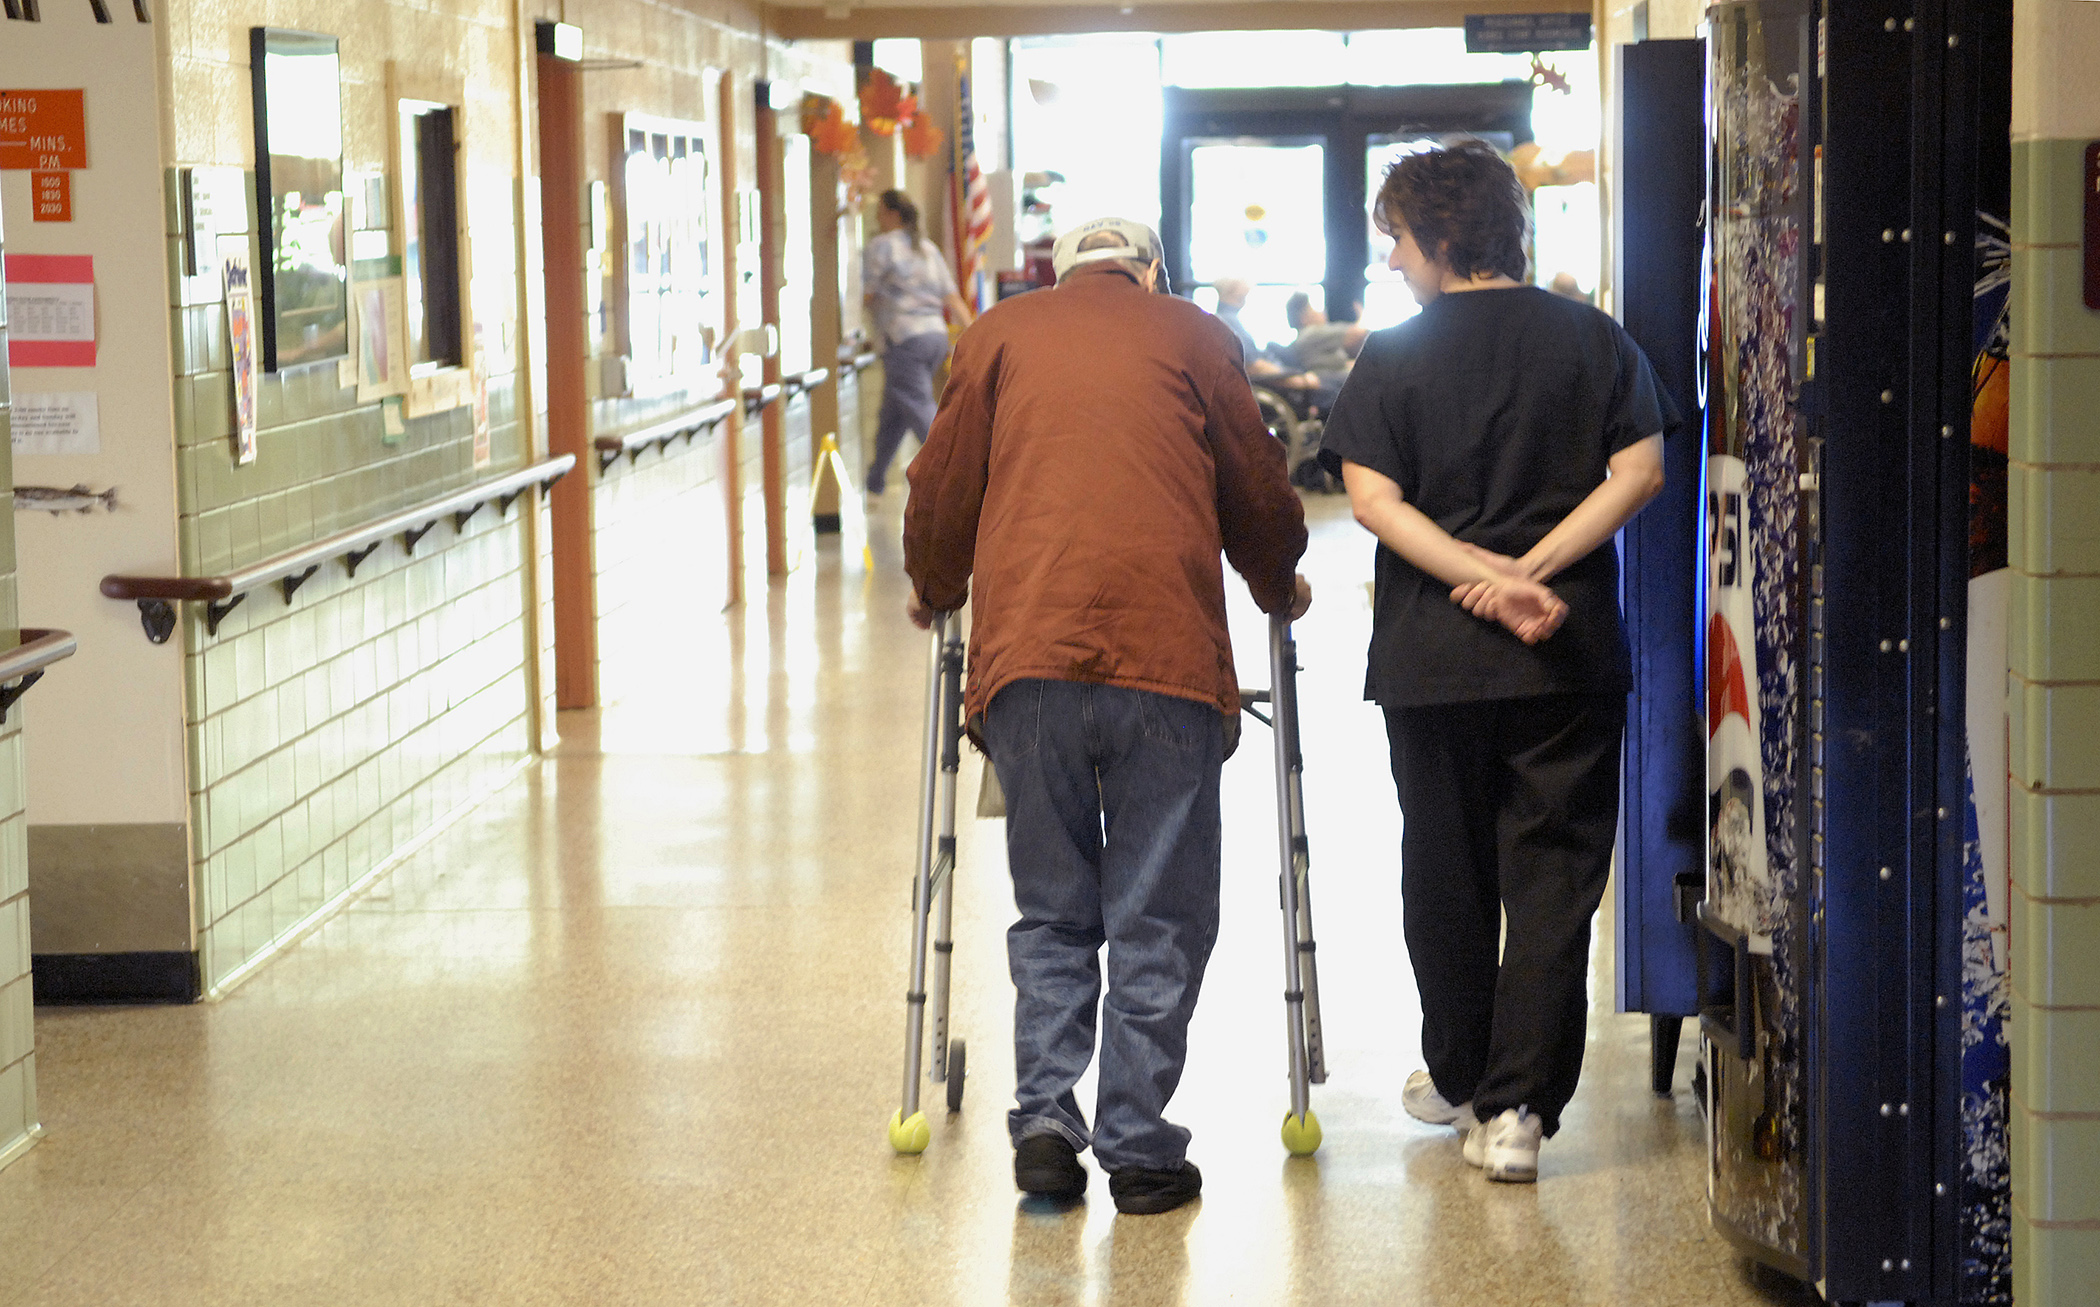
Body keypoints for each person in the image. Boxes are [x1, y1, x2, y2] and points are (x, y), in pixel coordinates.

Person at [902, 216, 1311, 1215]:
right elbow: (1257, 490)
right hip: (1164, 662)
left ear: (1062, 267)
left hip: (1027, 664)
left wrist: (934, 579)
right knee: (1157, 912)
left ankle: (1045, 1121)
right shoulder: (1197, 334)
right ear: (1151, 269)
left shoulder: (998, 334)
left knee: (1052, 908)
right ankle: (1137, 1144)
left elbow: (942, 486)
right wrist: (1275, 579)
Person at [1318, 140, 1670, 1183]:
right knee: (1556, 875)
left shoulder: (1393, 356)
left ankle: (1463, 1068)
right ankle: (1516, 1108)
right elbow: (1641, 471)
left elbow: (1375, 503)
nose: (1389, 263)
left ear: (1436, 238)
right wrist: (1538, 569)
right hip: (1567, 652)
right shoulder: (1594, 339)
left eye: (1394, 240)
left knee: (1447, 870)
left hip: (1437, 657)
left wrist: (1479, 573)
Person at [862, 189, 976, 495]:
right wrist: (974, 330)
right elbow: (951, 296)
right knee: (894, 411)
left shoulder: (881, 247)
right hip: (935, 337)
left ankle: (958, 473)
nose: (876, 218)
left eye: (880, 212)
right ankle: (875, 480)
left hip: (903, 338)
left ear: (891, 214)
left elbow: (868, 295)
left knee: (917, 405)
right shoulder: (927, 248)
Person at [1210, 278, 1319, 390]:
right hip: (1276, 385)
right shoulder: (1229, 321)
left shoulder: (1225, 319)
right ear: (1235, 289)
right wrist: (1301, 381)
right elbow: (1253, 366)